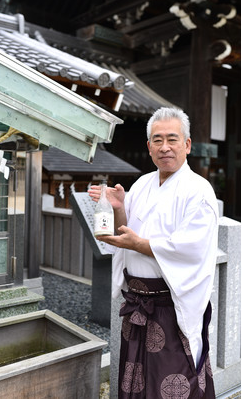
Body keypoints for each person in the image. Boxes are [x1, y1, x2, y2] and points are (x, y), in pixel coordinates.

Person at [88, 107, 218, 399]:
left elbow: (187, 249)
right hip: (137, 305)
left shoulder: (199, 191)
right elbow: (124, 233)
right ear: (148, 147)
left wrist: (138, 245)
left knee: (173, 385)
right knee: (134, 383)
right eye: (157, 140)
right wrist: (119, 207)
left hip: (171, 308)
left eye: (172, 139)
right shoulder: (143, 185)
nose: (165, 147)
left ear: (187, 144)